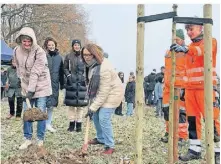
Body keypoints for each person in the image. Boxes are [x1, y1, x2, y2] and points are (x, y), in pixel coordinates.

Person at [170, 24, 220, 163]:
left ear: (201, 28)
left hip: (206, 88)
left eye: (191, 29)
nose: (189, 32)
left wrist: (186, 48)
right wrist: (184, 88)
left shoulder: (211, 41)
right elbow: (187, 70)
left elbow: (201, 51)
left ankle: (217, 151)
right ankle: (194, 150)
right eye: (187, 30)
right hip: (191, 90)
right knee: (192, 120)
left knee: (212, 119)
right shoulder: (189, 48)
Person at [13, 27, 52, 149]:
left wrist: (31, 90)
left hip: (41, 85)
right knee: (27, 113)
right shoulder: (16, 50)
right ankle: (27, 139)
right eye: (24, 41)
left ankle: (40, 139)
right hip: (26, 85)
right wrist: (22, 83)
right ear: (20, 40)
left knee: (40, 113)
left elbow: (35, 72)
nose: (27, 43)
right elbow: (18, 67)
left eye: (29, 41)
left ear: (33, 40)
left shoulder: (39, 52)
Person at [83, 43, 123, 154]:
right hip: (102, 93)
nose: (86, 57)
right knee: (95, 116)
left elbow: (103, 92)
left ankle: (110, 145)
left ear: (94, 54)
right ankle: (100, 138)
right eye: (84, 54)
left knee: (103, 118)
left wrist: (92, 107)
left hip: (113, 94)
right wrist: (92, 106)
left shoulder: (104, 68)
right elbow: (92, 85)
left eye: (88, 54)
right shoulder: (92, 65)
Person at [161, 29, 188, 144]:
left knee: (181, 112)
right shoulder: (168, 52)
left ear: (182, 40)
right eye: (174, 39)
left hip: (180, 87)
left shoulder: (186, 52)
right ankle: (169, 132)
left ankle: (181, 136)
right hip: (168, 88)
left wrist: (185, 88)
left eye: (177, 39)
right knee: (167, 110)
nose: (175, 42)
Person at [63, 39, 88, 132]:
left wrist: (85, 78)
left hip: (82, 83)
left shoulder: (84, 56)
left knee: (80, 106)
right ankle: (71, 124)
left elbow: (87, 68)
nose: (77, 46)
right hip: (71, 83)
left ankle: (79, 125)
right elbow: (65, 68)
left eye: (78, 45)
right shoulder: (68, 56)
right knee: (71, 106)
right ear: (73, 46)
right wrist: (69, 76)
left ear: (80, 46)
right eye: (75, 45)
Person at [43, 37, 64, 132]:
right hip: (44, 83)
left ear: (55, 45)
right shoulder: (43, 55)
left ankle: (48, 124)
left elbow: (61, 72)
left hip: (54, 84)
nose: (51, 46)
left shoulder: (59, 58)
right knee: (43, 104)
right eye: (49, 45)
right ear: (46, 46)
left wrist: (62, 84)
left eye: (53, 45)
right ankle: (42, 124)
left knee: (51, 106)